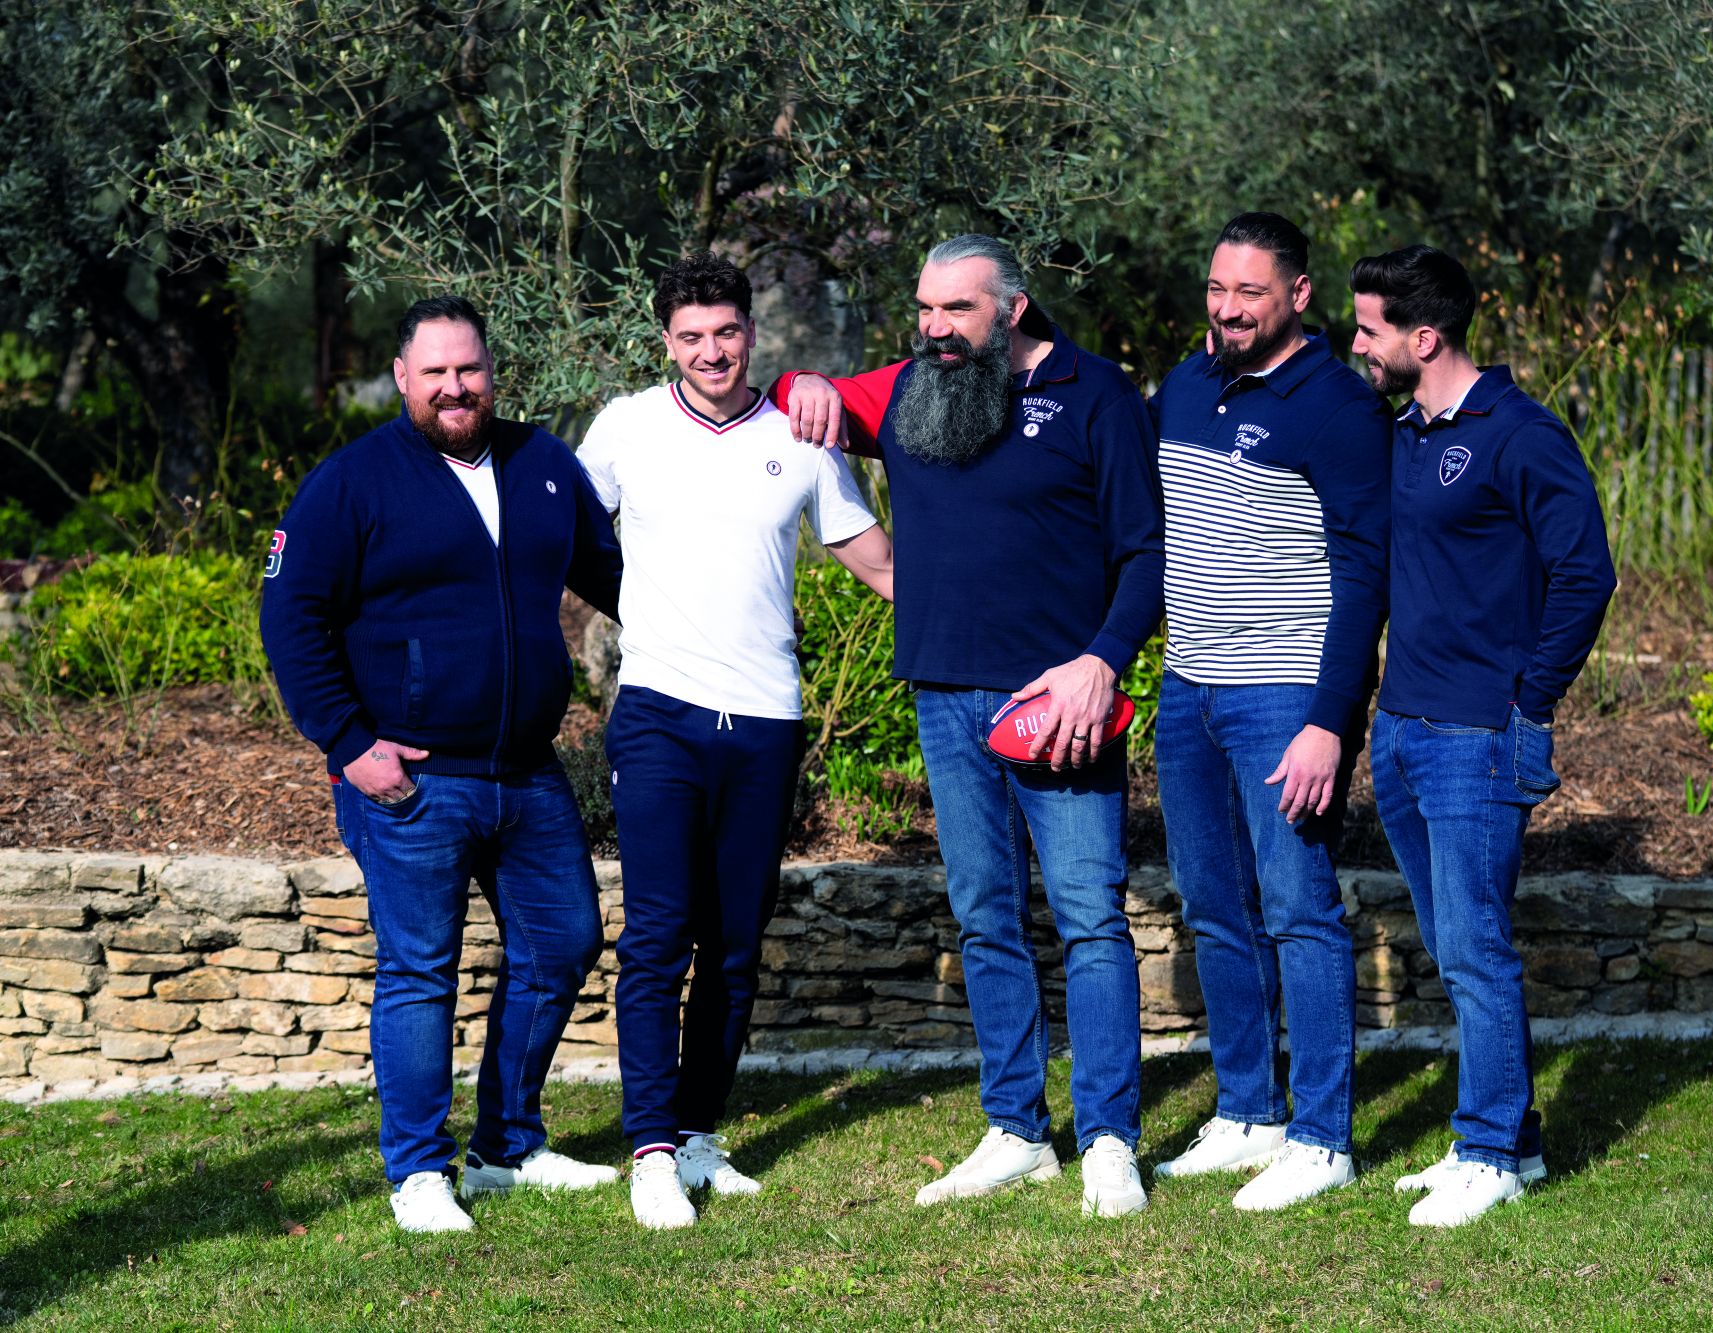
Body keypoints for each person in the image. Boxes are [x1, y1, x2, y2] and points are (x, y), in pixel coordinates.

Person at [770, 235, 1165, 1218]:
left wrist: (1100, 663)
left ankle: (1109, 1138)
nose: (935, 328)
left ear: (1014, 308)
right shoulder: (912, 386)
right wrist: (802, 383)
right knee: (986, 914)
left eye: (957, 309)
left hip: (1058, 703)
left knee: (1088, 915)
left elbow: (1145, 552)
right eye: (925, 308)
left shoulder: (1096, 394)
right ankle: (1018, 1131)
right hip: (943, 694)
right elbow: (796, 396)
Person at [261, 295, 626, 1233]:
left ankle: (506, 1147)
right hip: (412, 780)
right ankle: (419, 1171)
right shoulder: (353, 482)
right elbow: (290, 616)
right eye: (436, 373)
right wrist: (348, 744)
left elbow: (618, 578)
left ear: (491, 371)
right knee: (421, 970)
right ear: (403, 378)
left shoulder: (544, 464)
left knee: (564, 944)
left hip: (528, 769)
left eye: (469, 369)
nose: (455, 387)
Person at [575, 253, 892, 1230]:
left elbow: (880, 564)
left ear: (751, 333)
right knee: (658, 935)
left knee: (735, 945)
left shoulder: (801, 435)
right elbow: (558, 536)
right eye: (691, 337)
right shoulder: (625, 427)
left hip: (764, 720)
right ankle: (651, 1151)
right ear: (665, 341)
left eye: (725, 333)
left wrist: (1001, 624)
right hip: (659, 714)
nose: (711, 352)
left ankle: (698, 1133)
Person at [1350, 245, 1617, 1226]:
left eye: (1368, 328)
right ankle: (1515, 1139)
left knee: (1475, 947)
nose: (1356, 344)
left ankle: (1490, 1149)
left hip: (1478, 734)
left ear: (1423, 338)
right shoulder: (1403, 434)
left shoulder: (1520, 435)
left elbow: (1585, 574)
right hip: (1401, 727)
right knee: (1451, 941)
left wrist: (1529, 700)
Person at [1147, 213, 1391, 1210]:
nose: (1228, 308)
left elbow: (1365, 573)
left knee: (1299, 910)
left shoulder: (1338, 407)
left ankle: (1322, 1138)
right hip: (1188, 687)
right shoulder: (1183, 385)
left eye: (1249, 292)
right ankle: (1249, 1111)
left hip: (1284, 694)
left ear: (1297, 294)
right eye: (1217, 288)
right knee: (1213, 904)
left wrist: (1330, 720)